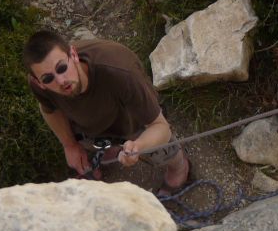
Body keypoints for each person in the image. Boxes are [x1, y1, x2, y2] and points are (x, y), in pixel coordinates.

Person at [23, 30, 189, 192]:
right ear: (40, 83)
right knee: (78, 138)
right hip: (90, 123)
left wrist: (138, 146)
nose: (61, 81)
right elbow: (49, 110)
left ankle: (179, 169)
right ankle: (108, 150)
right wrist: (69, 145)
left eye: (62, 68)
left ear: (73, 55)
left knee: (161, 148)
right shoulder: (39, 83)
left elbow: (161, 127)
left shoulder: (121, 72)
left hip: (132, 119)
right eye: (48, 79)